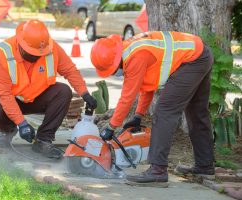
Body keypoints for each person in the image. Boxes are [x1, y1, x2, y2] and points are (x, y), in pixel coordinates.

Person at [90, 32, 214, 186]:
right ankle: (205, 165)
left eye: (113, 70)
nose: (116, 73)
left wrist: (111, 127)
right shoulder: (131, 49)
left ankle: (158, 170)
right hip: (200, 53)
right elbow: (147, 86)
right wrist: (138, 115)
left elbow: (127, 98)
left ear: (116, 62)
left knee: (164, 112)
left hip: (193, 60)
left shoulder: (135, 57)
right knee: (196, 112)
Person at [0, 20, 97, 160]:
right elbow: (4, 94)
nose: (37, 56)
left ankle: (43, 141)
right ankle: (7, 131)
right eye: (32, 53)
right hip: (7, 100)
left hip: (35, 98)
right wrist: (22, 124)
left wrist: (84, 93)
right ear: (21, 43)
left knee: (63, 91)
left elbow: (70, 70)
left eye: (39, 53)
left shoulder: (50, 47)